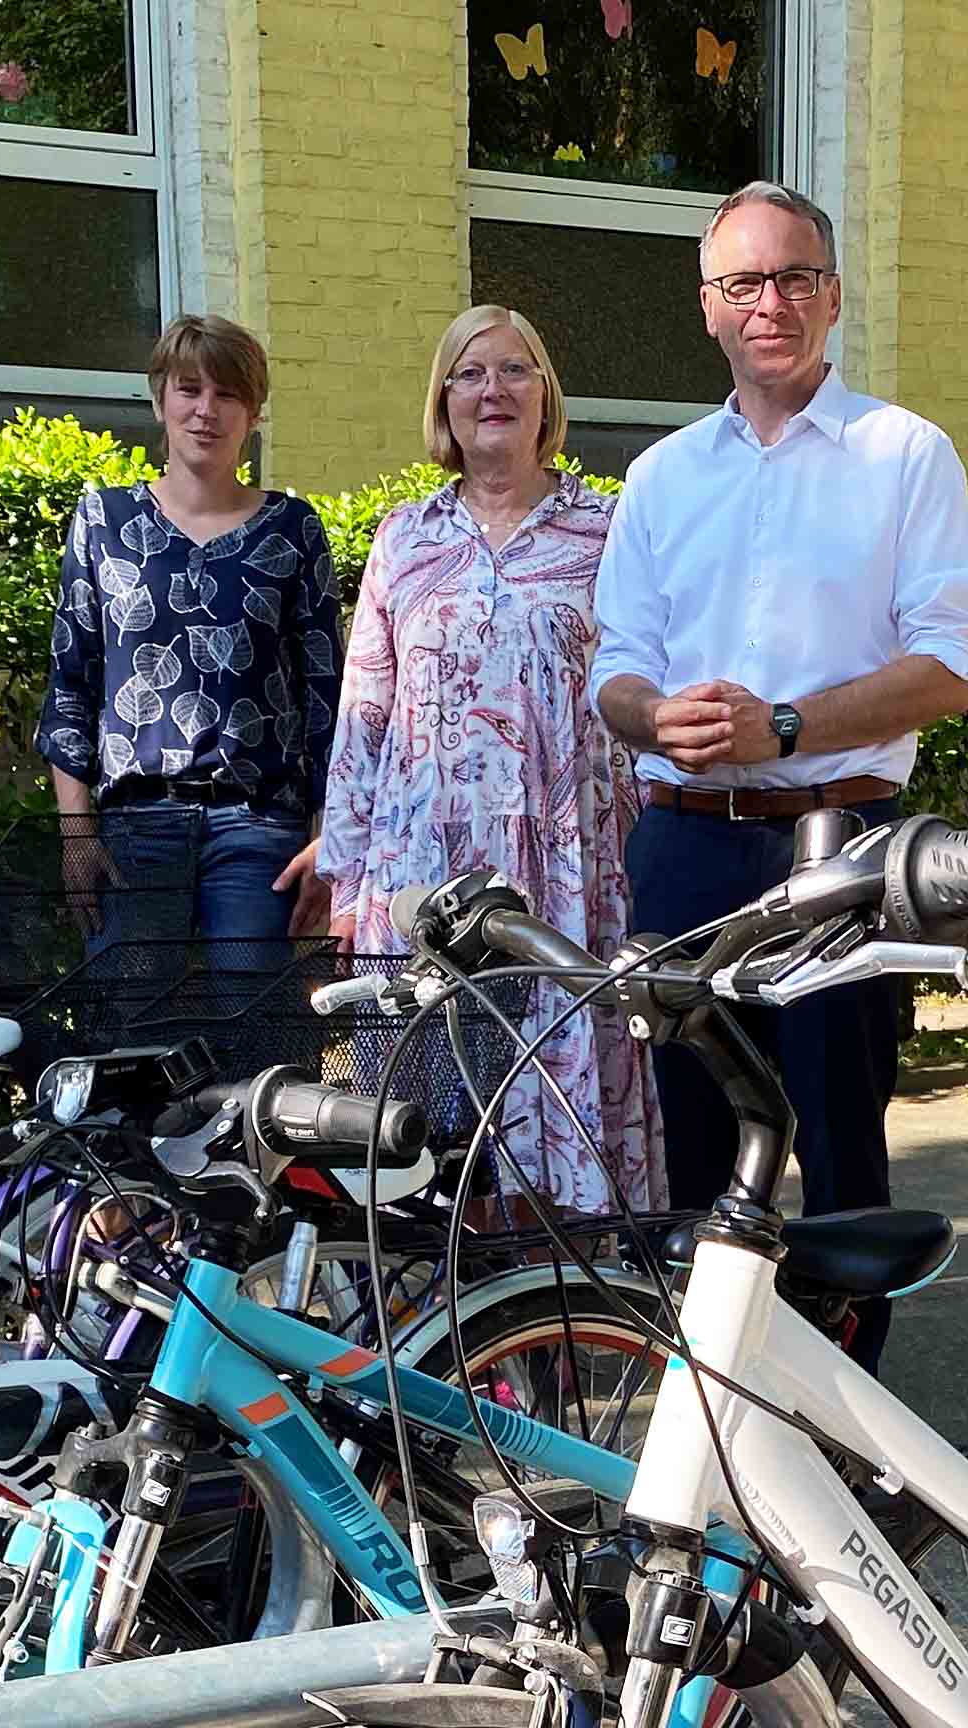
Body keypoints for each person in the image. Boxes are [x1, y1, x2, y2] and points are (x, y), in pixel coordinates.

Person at [587, 178, 968, 1365]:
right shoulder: (663, 476)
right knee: (695, 1141)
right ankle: (720, 1401)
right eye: (745, 283)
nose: (772, 303)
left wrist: (789, 726)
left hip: (842, 839)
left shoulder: (904, 455)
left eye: (796, 278)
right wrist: (658, 717)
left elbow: (949, 667)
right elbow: (615, 670)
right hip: (685, 844)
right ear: (708, 307)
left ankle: (852, 1431)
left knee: (841, 1149)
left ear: (833, 296)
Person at [307, 304, 661, 1214]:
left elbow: (645, 691)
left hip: (565, 879)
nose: (492, 390)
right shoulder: (405, 537)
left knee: (557, 1104)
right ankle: (436, 1337)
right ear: (444, 402)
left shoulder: (608, 530)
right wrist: (349, 885)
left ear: (546, 395)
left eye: (514, 370)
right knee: (422, 1130)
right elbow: (364, 714)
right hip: (420, 873)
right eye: (469, 373)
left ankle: (567, 1323)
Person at [37, 315, 342, 1046]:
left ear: (254, 412)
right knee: (131, 1045)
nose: (207, 410)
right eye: (189, 389)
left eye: (228, 394)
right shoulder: (103, 522)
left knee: (253, 1049)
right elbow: (71, 685)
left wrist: (329, 841)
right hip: (135, 831)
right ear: (159, 401)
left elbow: (329, 700)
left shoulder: (292, 531)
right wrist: (76, 832)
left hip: (258, 832)